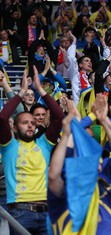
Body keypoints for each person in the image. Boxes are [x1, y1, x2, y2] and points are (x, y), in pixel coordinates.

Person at [48, 103, 111, 234]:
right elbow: (54, 175)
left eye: (97, 163)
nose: (94, 166)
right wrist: (67, 135)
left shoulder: (109, 202)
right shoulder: (63, 203)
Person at [0, 69, 64, 234]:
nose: (30, 125)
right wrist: (21, 93)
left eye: (32, 123)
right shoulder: (9, 146)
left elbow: (58, 116)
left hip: (46, 211)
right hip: (19, 212)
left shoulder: (44, 144)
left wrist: (41, 90)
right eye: (24, 122)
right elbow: (1, 118)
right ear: (14, 127)